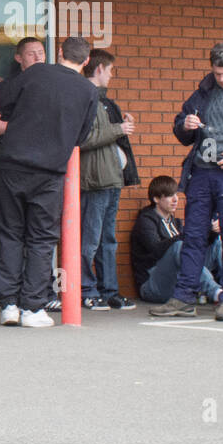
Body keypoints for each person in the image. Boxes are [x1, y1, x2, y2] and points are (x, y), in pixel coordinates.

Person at [0, 35, 98, 328]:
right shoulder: (88, 91)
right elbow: (81, 137)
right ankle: (33, 308)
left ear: (58, 52)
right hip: (50, 173)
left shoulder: (33, 74)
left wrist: (19, 128)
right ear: (86, 61)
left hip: (12, 167)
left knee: (9, 234)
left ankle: (8, 304)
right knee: (42, 240)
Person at [150, 41, 223, 321]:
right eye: (217, 73)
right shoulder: (202, 92)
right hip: (201, 172)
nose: (222, 79)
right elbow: (181, 129)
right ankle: (184, 297)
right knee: (193, 238)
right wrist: (183, 125)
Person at [78, 48, 138, 311]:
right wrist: (118, 129)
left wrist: (119, 125)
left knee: (107, 239)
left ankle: (109, 290)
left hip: (111, 179)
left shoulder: (103, 101)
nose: (112, 76)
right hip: (94, 180)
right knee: (89, 239)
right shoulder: (83, 98)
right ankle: (86, 290)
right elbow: (83, 138)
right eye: (110, 70)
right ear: (99, 69)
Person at [131, 176, 223, 305]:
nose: (175, 200)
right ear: (156, 199)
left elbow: (193, 244)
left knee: (216, 244)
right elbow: (156, 250)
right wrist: (187, 235)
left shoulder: (175, 223)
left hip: (177, 282)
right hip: (152, 286)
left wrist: (211, 233)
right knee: (180, 247)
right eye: (169, 196)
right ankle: (216, 292)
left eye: (176, 194)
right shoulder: (145, 221)